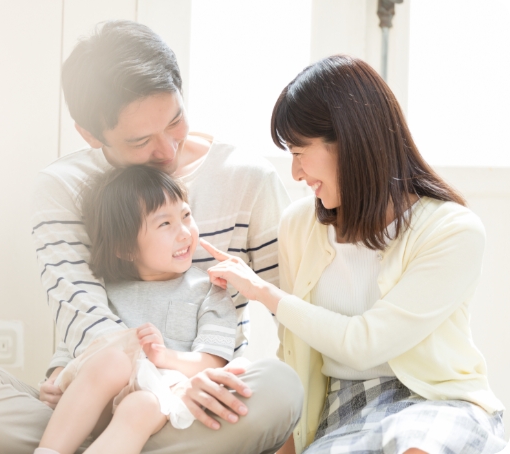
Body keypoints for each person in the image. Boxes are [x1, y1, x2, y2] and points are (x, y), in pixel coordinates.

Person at [0, 20, 302, 454]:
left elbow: (294, 309)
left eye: (175, 120)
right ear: (90, 134)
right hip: (90, 403)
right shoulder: (64, 188)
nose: (168, 151)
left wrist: (179, 389)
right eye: (141, 140)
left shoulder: (245, 178)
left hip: (192, 407)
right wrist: (72, 379)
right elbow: (86, 320)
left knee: (280, 389)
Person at [202, 55, 507, 454]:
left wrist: (265, 293)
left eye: (299, 151)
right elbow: (295, 349)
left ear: (350, 141)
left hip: (435, 399)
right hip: (342, 408)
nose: (294, 173)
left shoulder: (452, 230)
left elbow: (366, 343)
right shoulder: (298, 226)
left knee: (418, 447)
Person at [36, 165, 238, 454]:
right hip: (102, 402)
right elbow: (77, 346)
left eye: (185, 215)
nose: (183, 233)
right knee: (112, 361)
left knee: (141, 405)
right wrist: (55, 378)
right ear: (126, 248)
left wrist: (165, 356)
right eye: (164, 224)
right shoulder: (104, 291)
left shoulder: (209, 288)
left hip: (161, 401)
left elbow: (214, 362)